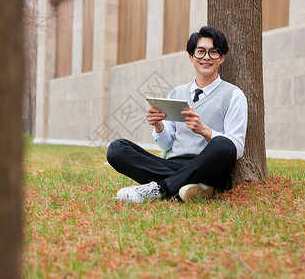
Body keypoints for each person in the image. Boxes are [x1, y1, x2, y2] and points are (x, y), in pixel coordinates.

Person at [106, 26, 248, 203]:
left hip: (209, 166)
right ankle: (194, 187)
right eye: (200, 51)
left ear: (222, 58)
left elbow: (237, 148)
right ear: (191, 56)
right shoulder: (177, 93)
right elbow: (167, 145)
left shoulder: (234, 94)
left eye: (213, 52)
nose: (206, 57)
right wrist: (158, 126)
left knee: (224, 144)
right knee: (116, 149)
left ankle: (160, 188)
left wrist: (204, 130)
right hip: (174, 163)